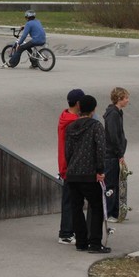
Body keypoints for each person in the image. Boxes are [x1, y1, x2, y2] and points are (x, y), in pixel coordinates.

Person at [64, 94, 110, 254]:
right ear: (93, 109)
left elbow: (67, 151)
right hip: (89, 173)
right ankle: (95, 243)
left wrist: (71, 167)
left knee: (76, 208)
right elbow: (100, 149)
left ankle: (81, 242)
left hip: (73, 173)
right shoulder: (95, 126)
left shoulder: (71, 127)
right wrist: (100, 170)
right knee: (96, 206)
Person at [56, 88, 84, 245]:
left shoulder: (64, 116)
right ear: (79, 103)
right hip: (71, 166)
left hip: (65, 164)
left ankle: (68, 230)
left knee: (71, 199)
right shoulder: (73, 122)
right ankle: (66, 233)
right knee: (70, 200)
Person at [102, 87, 129, 222]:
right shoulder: (113, 114)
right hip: (111, 155)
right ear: (119, 99)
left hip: (115, 153)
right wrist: (120, 153)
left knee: (116, 184)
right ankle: (109, 213)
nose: (127, 100)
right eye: (125, 98)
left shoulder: (118, 112)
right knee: (111, 184)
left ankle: (115, 211)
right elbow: (113, 135)